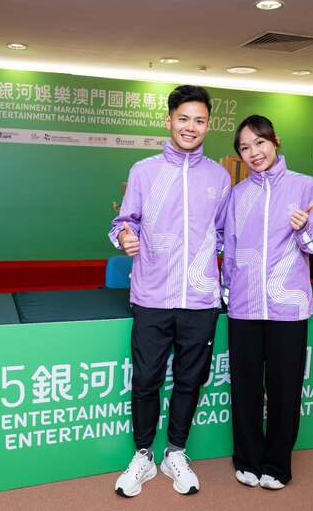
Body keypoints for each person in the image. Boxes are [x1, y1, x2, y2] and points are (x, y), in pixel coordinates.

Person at [109, 85, 230, 497]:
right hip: (152, 296)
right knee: (146, 380)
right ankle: (142, 456)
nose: (190, 127)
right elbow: (123, 222)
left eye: (199, 120)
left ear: (208, 125)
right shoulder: (144, 171)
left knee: (190, 380)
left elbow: (222, 234)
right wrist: (125, 236)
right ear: (169, 121)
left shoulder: (219, 176)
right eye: (183, 119)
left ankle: (175, 452)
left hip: (200, 299)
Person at [221, 115, 313, 490]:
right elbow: (230, 251)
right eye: (245, 147)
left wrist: (303, 229)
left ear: (275, 141)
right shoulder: (237, 195)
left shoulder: (305, 186)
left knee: (284, 389)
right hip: (244, 307)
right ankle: (247, 459)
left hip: (288, 307)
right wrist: (228, 293)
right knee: (246, 387)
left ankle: (278, 464)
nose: (254, 152)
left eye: (259, 142)